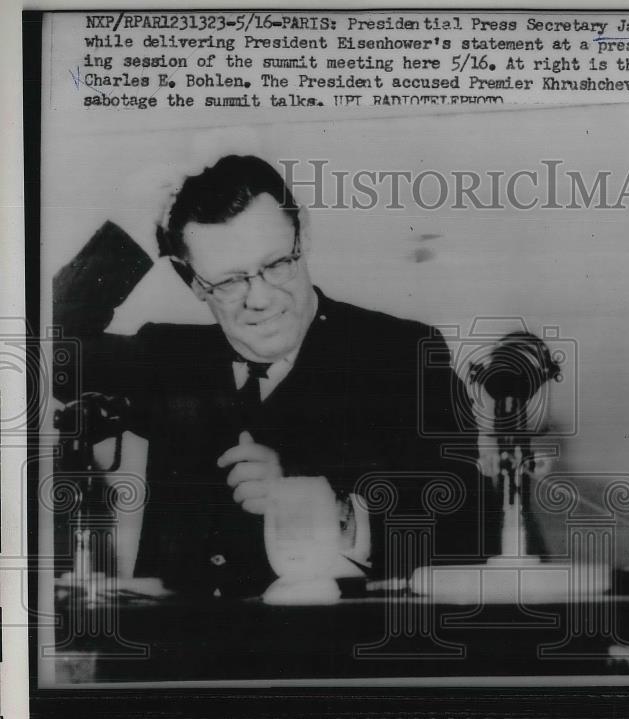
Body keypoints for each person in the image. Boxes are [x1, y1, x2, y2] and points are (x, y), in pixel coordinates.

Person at [54, 155, 493, 598]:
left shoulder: (401, 355)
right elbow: (40, 348)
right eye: (228, 282)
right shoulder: (169, 358)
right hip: (184, 651)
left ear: (302, 234)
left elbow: (470, 523)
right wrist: (130, 231)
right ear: (192, 282)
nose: (259, 298)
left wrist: (328, 507)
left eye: (277, 264)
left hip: (334, 657)